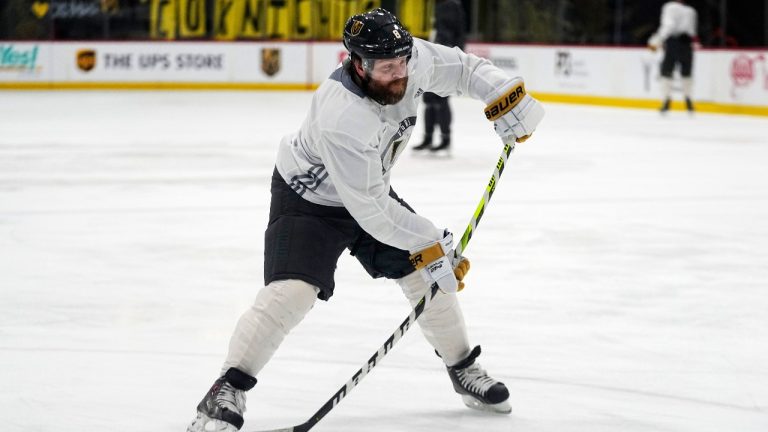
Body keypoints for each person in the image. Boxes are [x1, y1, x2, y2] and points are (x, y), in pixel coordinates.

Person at [187, 8, 544, 432]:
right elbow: (372, 213)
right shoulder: (343, 116)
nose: (399, 75)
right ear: (357, 64)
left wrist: (504, 94)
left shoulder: (410, 60)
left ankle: (463, 368)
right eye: (386, 68)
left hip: (367, 189)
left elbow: (466, 70)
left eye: (403, 63)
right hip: (310, 200)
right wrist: (433, 241)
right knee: (292, 293)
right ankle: (226, 388)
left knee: (426, 275)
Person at [412, 0, 467, 154]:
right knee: (429, 98)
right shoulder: (438, 6)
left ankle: (445, 138)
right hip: (434, 56)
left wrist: (447, 54)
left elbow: (452, 35)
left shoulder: (450, 6)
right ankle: (428, 138)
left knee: (441, 99)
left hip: (443, 58)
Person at [647, 0, 698, 114]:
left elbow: (668, 26)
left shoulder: (670, 7)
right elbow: (693, 31)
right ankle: (688, 100)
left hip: (674, 43)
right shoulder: (691, 11)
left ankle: (666, 100)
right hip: (687, 44)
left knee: (666, 71)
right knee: (687, 73)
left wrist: (657, 40)